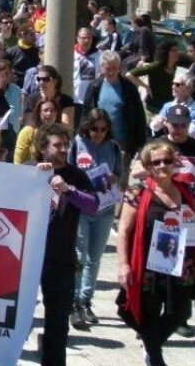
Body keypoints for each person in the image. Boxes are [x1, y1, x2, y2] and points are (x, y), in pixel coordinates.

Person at [116, 141, 195, 366]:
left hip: (181, 263)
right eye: (155, 162)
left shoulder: (184, 191)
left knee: (180, 313)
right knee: (144, 313)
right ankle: (156, 360)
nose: (161, 166)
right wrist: (123, 265)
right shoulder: (137, 193)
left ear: (174, 163)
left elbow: (193, 229)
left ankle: (150, 345)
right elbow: (123, 232)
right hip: (147, 263)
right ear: (148, 166)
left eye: (167, 161)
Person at [34, 123, 99, 366]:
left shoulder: (76, 175)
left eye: (65, 144)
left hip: (60, 257)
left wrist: (69, 190)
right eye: (57, 145)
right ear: (42, 148)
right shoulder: (29, 170)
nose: (63, 149)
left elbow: (93, 206)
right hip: (27, 257)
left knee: (58, 320)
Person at [69, 108, 124, 329]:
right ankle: (74, 302)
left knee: (95, 257)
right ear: (87, 127)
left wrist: (114, 178)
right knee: (80, 255)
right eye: (94, 129)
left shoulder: (113, 147)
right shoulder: (78, 143)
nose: (98, 133)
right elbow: (69, 170)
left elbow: (120, 172)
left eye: (103, 129)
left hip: (105, 209)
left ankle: (85, 299)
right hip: (82, 207)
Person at [82, 50, 148, 161]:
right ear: (102, 67)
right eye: (108, 68)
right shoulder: (94, 86)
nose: (111, 72)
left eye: (115, 68)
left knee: (120, 176)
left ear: (120, 67)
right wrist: (83, 138)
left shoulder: (128, 87)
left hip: (122, 144)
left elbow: (139, 116)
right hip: (98, 142)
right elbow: (86, 114)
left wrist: (140, 144)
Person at [129, 41, 181, 116]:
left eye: (177, 50)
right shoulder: (156, 66)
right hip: (153, 107)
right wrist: (146, 87)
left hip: (168, 106)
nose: (177, 53)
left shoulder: (174, 66)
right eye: (173, 50)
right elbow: (130, 74)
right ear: (165, 53)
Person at [15, 98, 61, 165]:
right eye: (45, 110)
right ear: (38, 113)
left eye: (53, 110)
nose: (49, 113)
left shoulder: (61, 134)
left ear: (57, 113)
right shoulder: (27, 132)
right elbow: (18, 162)